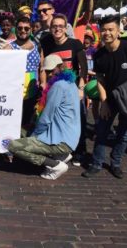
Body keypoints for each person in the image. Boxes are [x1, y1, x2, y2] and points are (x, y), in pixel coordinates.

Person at [82, 15, 127, 179]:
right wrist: (104, 102)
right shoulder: (99, 55)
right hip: (110, 98)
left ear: (118, 31)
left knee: (124, 135)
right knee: (101, 131)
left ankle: (115, 163)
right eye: (104, 30)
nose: (107, 33)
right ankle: (96, 163)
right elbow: (100, 79)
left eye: (111, 30)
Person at [7, 54, 80, 180]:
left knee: (13, 146)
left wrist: (35, 135)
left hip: (60, 140)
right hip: (69, 137)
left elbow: (47, 116)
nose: (50, 74)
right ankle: (61, 156)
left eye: (52, 70)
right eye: (47, 71)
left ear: (60, 67)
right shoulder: (71, 83)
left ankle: (55, 165)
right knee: (21, 130)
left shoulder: (58, 86)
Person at [40, 14, 88, 166]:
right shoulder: (46, 42)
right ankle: (60, 150)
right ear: (50, 27)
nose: (57, 29)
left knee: (78, 120)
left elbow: (84, 67)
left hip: (72, 89)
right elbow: (42, 64)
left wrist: (81, 87)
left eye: (61, 26)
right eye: (55, 26)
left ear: (66, 27)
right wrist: (43, 83)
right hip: (54, 88)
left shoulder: (75, 44)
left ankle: (80, 152)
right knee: (55, 120)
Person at [10, 16, 45, 130]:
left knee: (28, 122)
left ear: (31, 29)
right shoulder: (8, 48)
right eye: (20, 28)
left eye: (26, 28)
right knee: (14, 121)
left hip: (32, 91)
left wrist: (43, 83)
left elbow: (42, 67)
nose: (23, 31)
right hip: (15, 91)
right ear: (15, 29)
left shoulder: (38, 46)